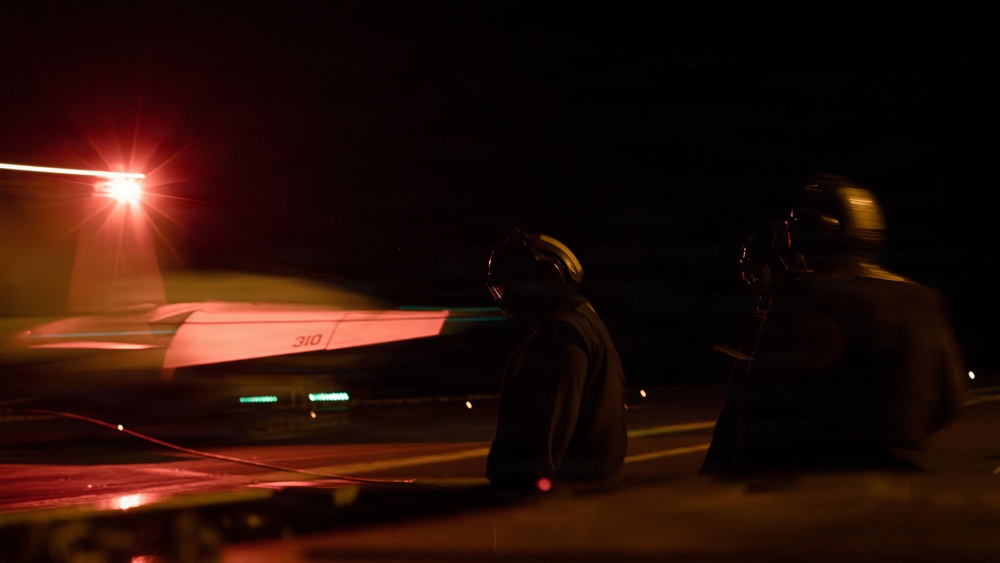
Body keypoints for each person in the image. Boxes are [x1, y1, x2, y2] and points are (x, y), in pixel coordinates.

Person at [701, 175, 967, 474]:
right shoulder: (925, 301)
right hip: (902, 481)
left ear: (817, 233)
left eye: (797, 230)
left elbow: (755, 413)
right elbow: (949, 403)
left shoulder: (798, 299)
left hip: (812, 485)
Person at [484, 228, 628, 491]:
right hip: (576, 502)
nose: (503, 301)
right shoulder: (574, 324)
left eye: (508, 286)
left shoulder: (561, 338)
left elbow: (545, 444)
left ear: (545, 277)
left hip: (566, 507)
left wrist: (523, 498)